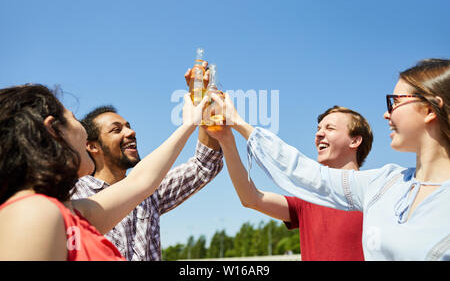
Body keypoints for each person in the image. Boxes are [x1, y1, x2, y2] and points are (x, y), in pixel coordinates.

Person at [209, 58, 450, 261]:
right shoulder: (379, 186)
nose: (387, 113)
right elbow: (271, 186)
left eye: (395, 102)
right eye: (318, 128)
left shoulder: (372, 195)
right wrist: (230, 137)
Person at [0, 84, 209, 260]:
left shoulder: (70, 212)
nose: (82, 130)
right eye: (73, 119)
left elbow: (140, 182)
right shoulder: (32, 214)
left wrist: (190, 123)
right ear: (54, 130)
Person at [206, 105, 373, 260]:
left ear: (355, 141)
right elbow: (251, 198)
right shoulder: (310, 198)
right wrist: (226, 140)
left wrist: (237, 121)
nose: (319, 134)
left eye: (330, 128)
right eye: (319, 129)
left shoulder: (374, 194)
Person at [71, 103, 223, 261]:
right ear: (93, 146)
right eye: (116, 130)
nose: (131, 132)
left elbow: (205, 164)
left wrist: (205, 104)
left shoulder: (149, 192)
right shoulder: (74, 195)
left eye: (128, 127)